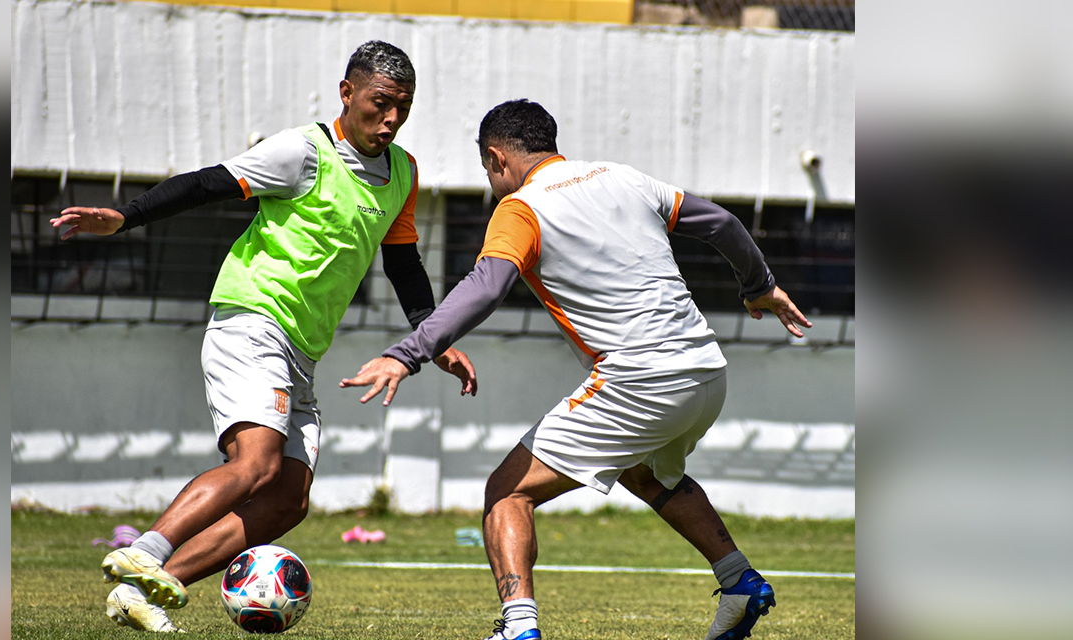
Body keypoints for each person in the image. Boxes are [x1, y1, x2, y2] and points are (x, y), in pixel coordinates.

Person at [341, 99, 811, 640]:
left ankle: (518, 629)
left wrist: (406, 354)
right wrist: (760, 285)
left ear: (497, 159)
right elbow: (723, 224)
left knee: (507, 493)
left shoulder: (521, 207)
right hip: (706, 371)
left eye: (488, 172)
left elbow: (486, 287)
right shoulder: (622, 176)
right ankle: (739, 583)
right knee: (648, 473)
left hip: (639, 380)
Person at [51, 40, 477, 633]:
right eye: (380, 104)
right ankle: (147, 549)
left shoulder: (401, 173)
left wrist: (432, 336)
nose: (391, 120)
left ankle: (152, 585)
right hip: (252, 320)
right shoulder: (302, 151)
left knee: (287, 498)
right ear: (346, 93)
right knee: (255, 464)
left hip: (302, 347)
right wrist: (127, 217)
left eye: (403, 108)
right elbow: (207, 184)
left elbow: (402, 262)